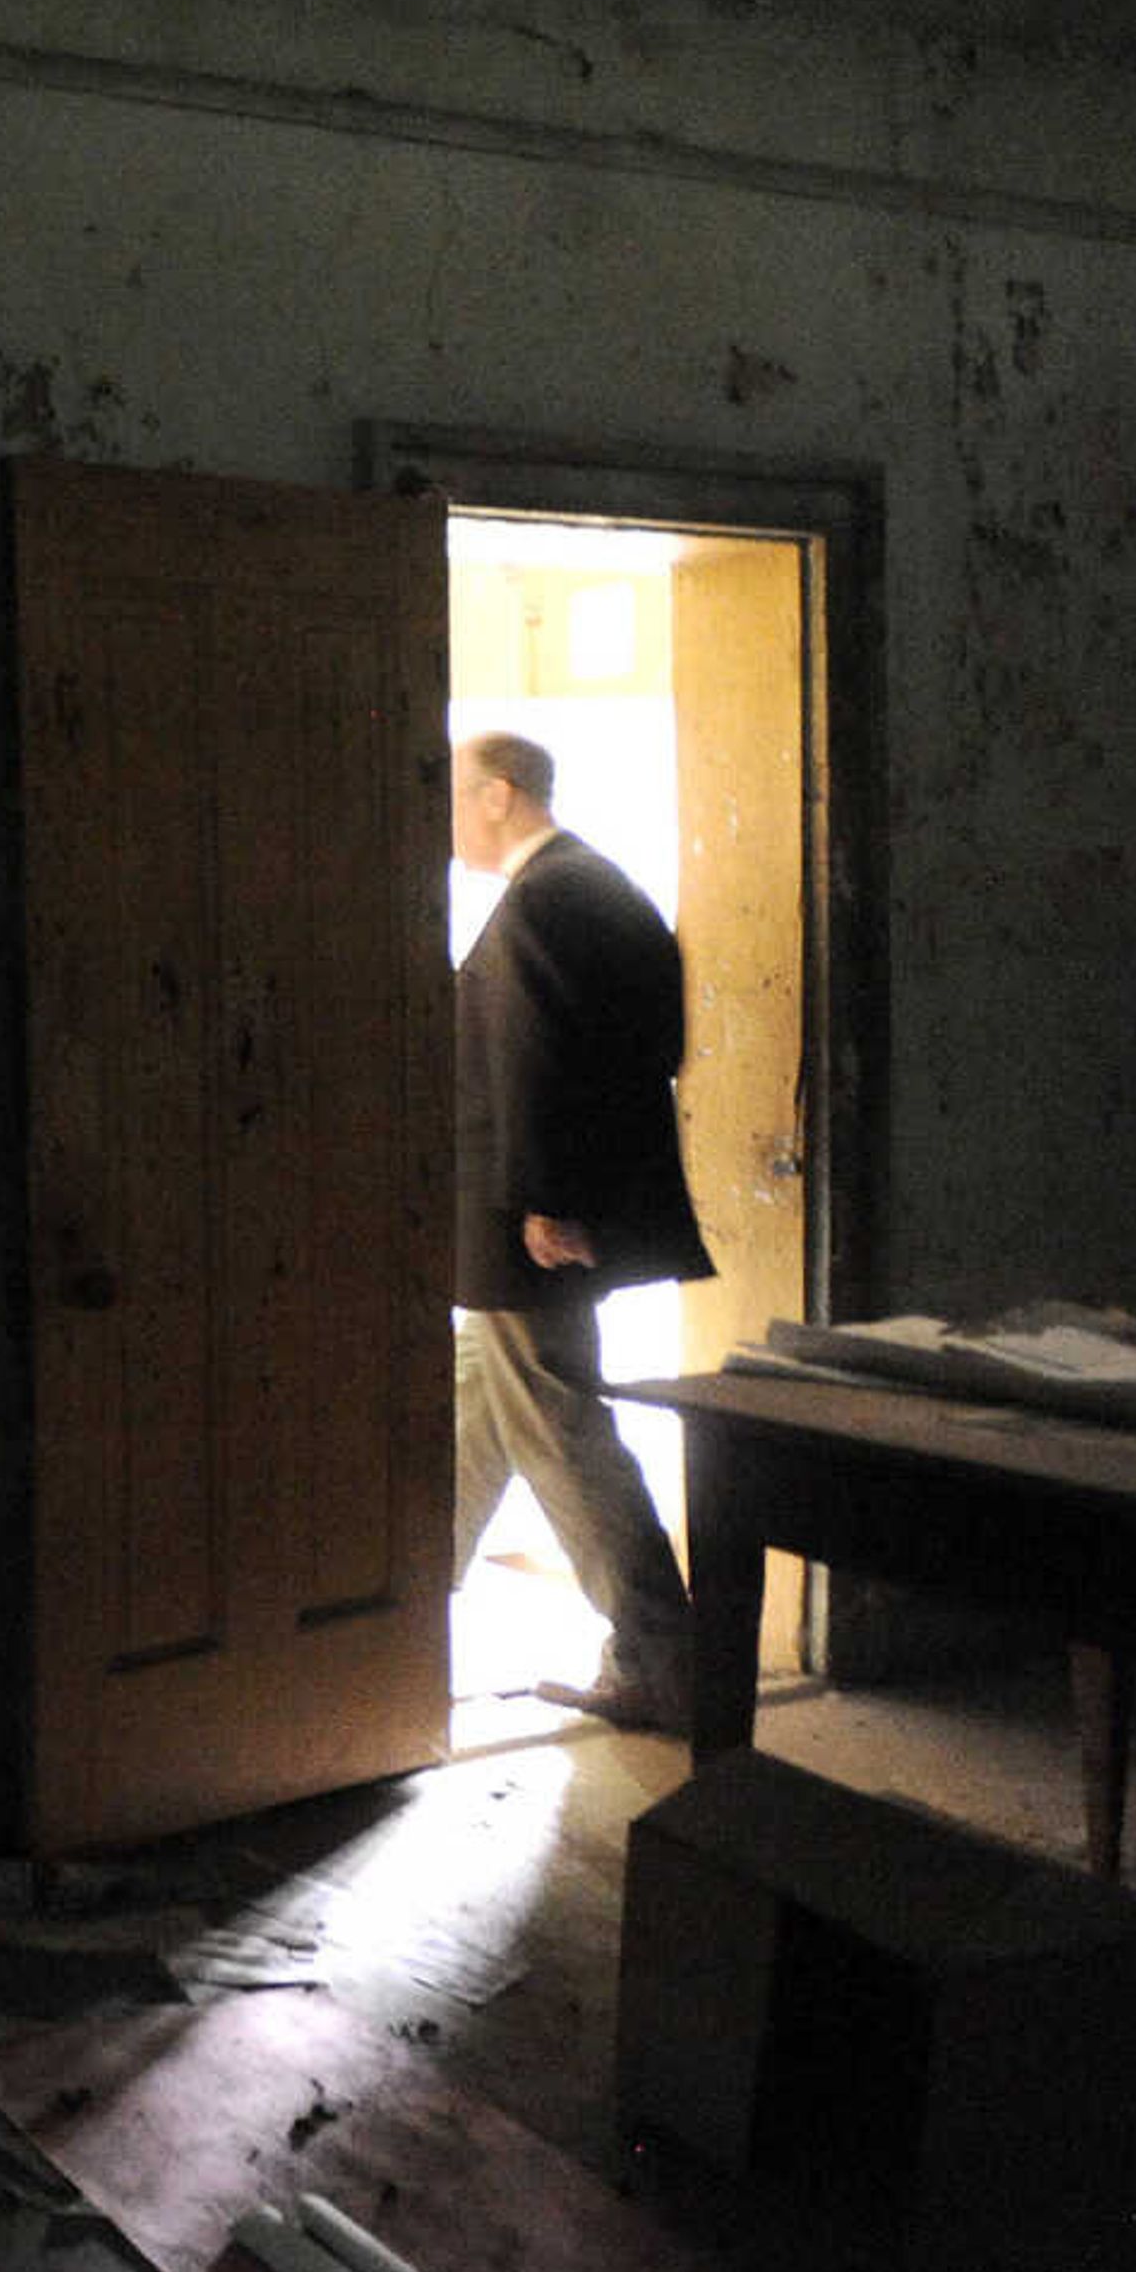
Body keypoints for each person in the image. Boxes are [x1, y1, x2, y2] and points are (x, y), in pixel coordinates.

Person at [450, 730, 713, 1730]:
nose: (443, 823)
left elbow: (531, 1060)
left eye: (453, 796)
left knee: (562, 1432)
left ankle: (665, 1659)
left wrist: (546, 1199)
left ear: (499, 795)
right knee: (484, 1410)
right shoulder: (601, 885)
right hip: (553, 1215)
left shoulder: (544, 897)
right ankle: (389, 1626)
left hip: (530, 1226)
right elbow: (657, 1046)